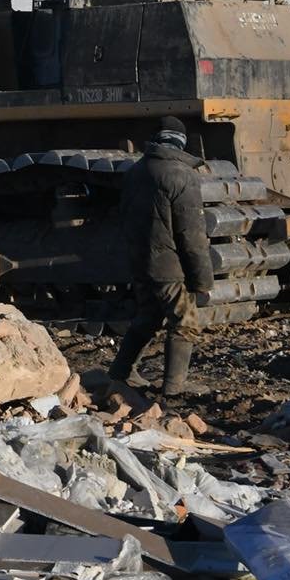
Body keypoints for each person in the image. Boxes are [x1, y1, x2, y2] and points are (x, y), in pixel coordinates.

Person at [107, 116, 213, 398]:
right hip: (170, 268)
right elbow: (192, 236)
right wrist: (202, 282)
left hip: (141, 262)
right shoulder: (182, 176)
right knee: (185, 323)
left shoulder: (135, 171)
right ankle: (174, 387)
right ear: (181, 143)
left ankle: (120, 373)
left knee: (148, 316)